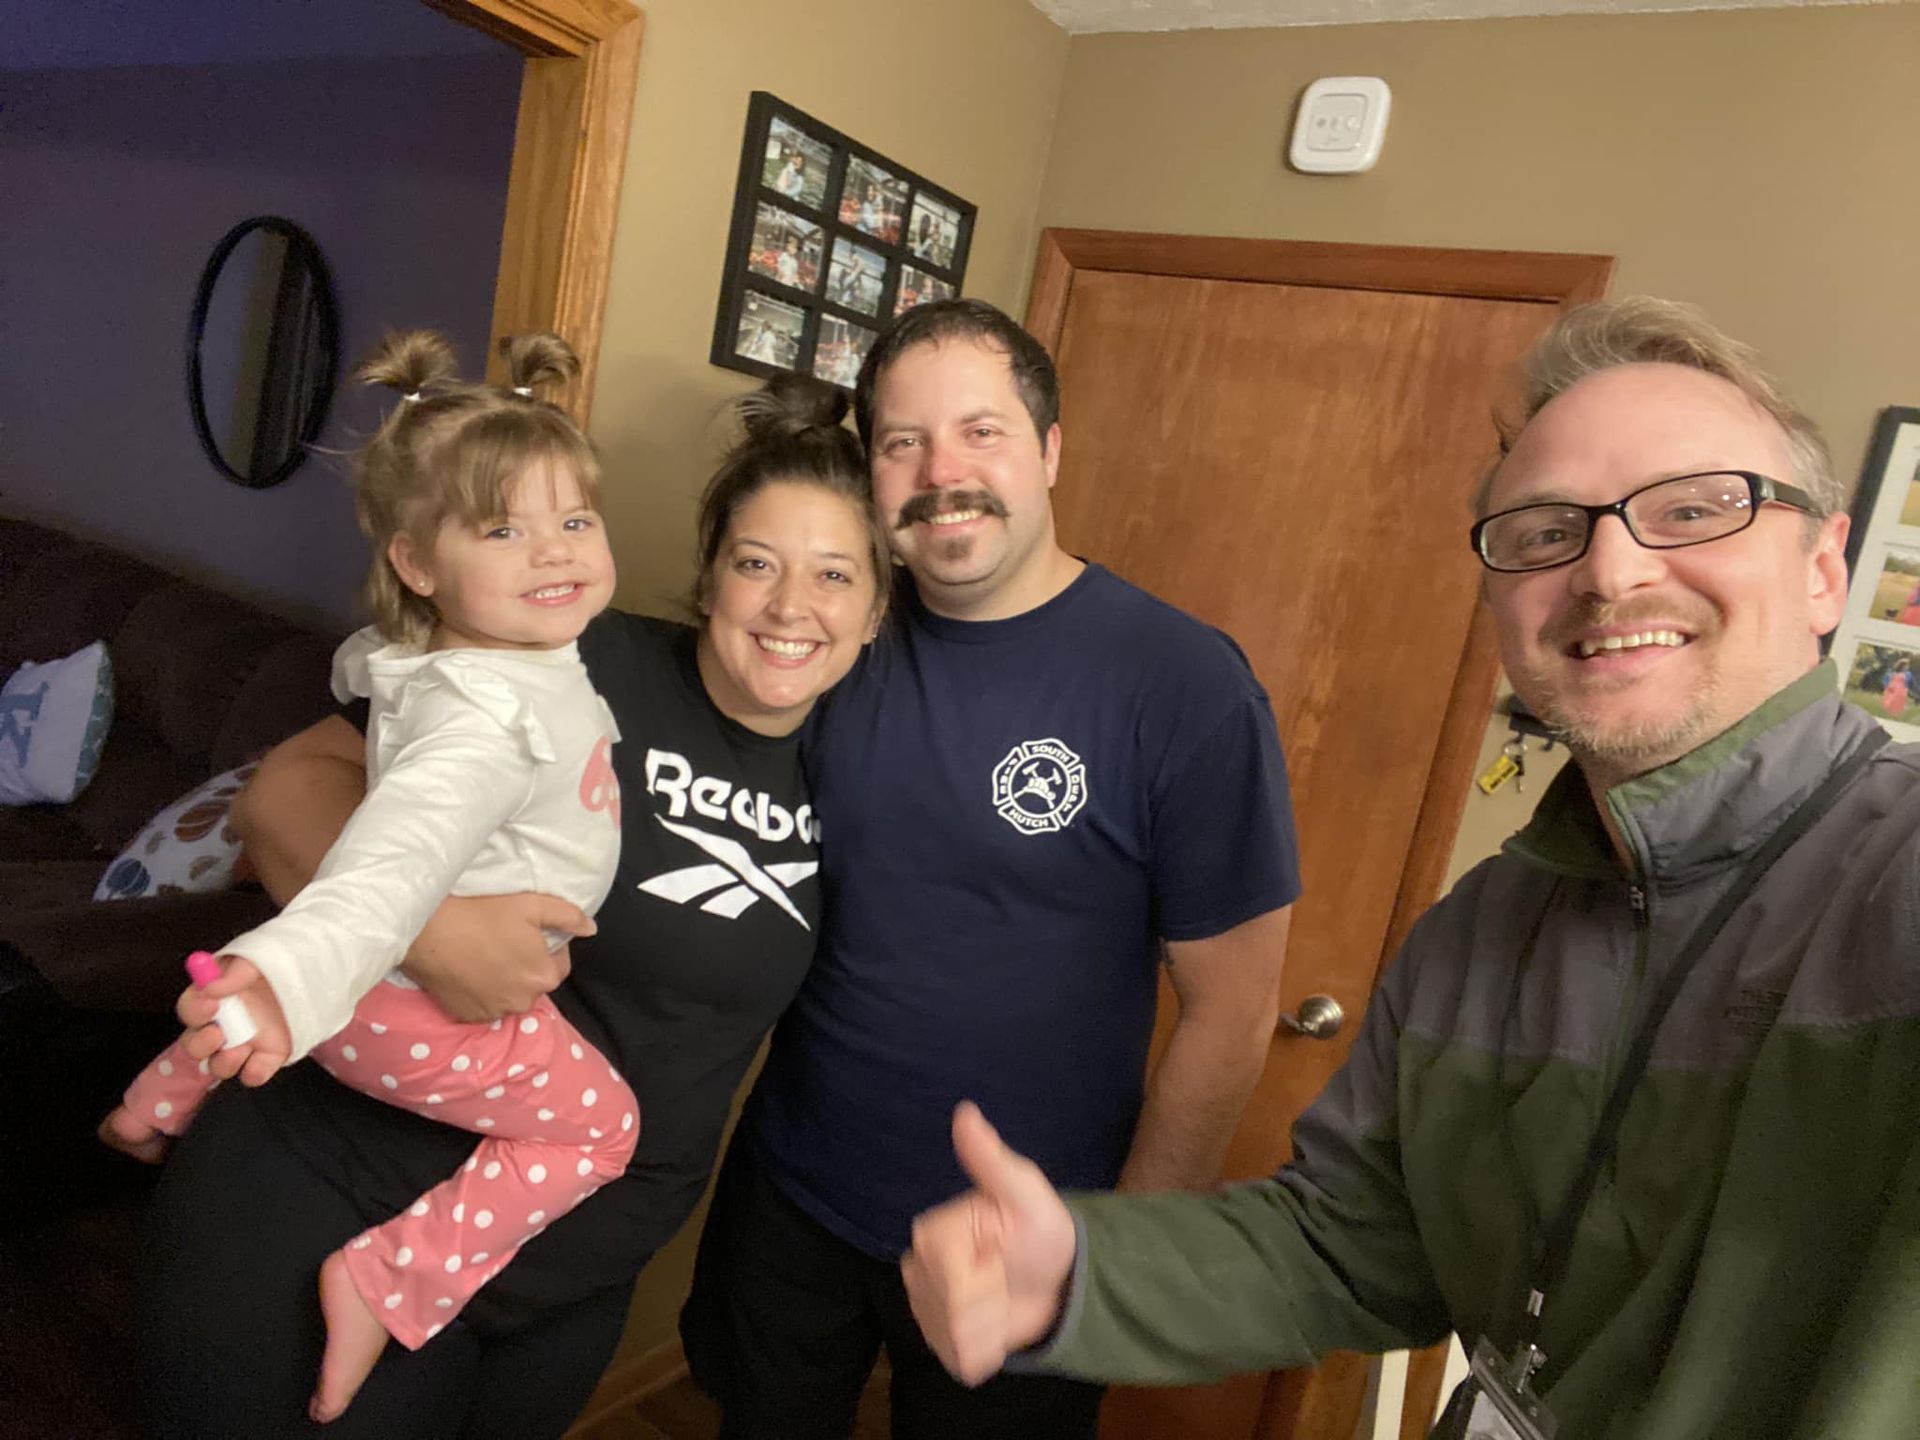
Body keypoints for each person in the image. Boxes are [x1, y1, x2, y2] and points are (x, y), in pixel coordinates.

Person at [901, 298, 1920, 1440]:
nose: (1612, 570)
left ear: (1826, 569)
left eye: (1694, 510)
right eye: (1545, 530)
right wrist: (1085, 1272)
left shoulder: (1891, 878)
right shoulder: (1479, 938)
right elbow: (1352, 1240)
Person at [138, 373, 888, 1440]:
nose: (789, 606)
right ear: (709, 577)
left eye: (834, 575)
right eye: (755, 563)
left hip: (567, 1274)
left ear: (874, 610)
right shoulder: (568, 652)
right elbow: (283, 793)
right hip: (345, 1192)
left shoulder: (865, 771)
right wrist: (433, 934)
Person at [679, 298, 1301, 1440]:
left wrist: (1121, 1268)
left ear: (1052, 451)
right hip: (796, 1195)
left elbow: (1232, 1009)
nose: (941, 471)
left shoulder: (1184, 686)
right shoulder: (826, 639)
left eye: (982, 432)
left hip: (1028, 1233)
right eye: (902, 441)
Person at [105, 329, 636, 1425]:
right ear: (417, 563)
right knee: (601, 1127)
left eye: (574, 519)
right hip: (397, 1010)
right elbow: (380, 876)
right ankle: (392, 1277)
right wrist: (284, 983)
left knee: (275, 1001)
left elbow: (373, 681)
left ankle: (166, 1086)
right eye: (504, 528)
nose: (556, 551)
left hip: (339, 1013)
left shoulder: (457, 659)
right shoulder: (483, 728)